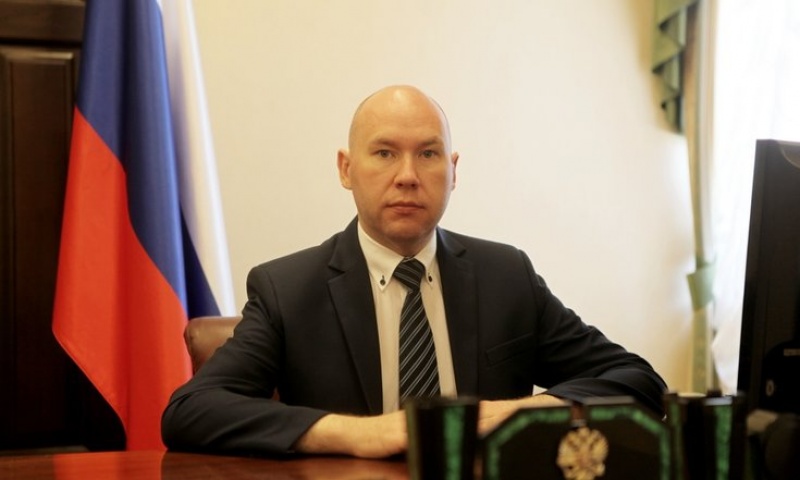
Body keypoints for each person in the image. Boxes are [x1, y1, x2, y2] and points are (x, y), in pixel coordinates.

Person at [161, 85, 667, 458]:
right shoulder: (288, 289)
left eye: (428, 154)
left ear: (453, 170)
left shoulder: (505, 275)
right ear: (346, 169)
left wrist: (521, 411)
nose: (407, 176)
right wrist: (359, 433)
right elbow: (192, 410)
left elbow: (637, 380)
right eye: (384, 153)